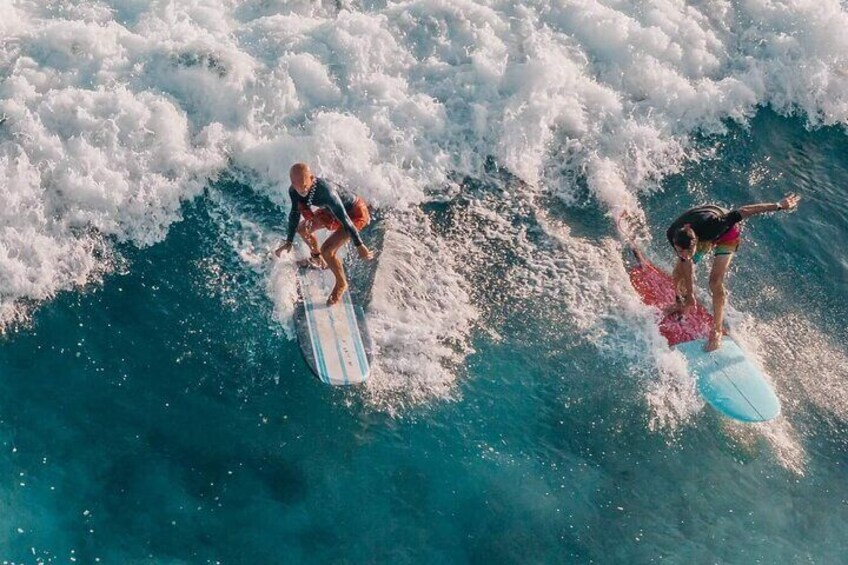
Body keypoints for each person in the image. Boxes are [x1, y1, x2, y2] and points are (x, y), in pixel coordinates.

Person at [666, 193, 801, 351]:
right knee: (677, 274)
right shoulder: (674, 235)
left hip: (727, 233)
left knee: (715, 282)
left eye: (688, 252)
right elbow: (685, 262)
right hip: (698, 230)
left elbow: (745, 211)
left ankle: (717, 330)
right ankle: (679, 303)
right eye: (680, 251)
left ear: (696, 243)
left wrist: (779, 205)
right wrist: (689, 295)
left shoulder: (716, 224)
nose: (684, 255)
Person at [275, 163, 373, 305]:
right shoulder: (294, 191)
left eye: (304, 185)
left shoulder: (327, 193)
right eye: (297, 186)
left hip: (354, 214)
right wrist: (288, 241)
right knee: (302, 229)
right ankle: (316, 258)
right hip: (330, 212)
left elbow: (345, 219)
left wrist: (359, 245)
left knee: (328, 250)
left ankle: (341, 283)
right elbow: (294, 215)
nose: (301, 190)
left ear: (312, 178)